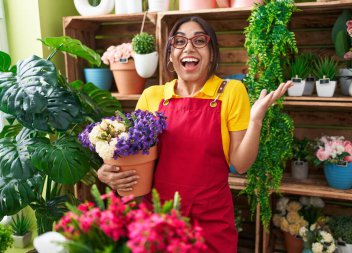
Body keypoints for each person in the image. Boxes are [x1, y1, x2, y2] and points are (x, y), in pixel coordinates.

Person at [98, 16, 292, 253]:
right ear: (170, 55)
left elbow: (241, 164)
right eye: (179, 41)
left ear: (212, 53)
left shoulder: (230, 91)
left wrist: (256, 120)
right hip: (160, 221)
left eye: (199, 40)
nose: (189, 47)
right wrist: (111, 171)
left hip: (211, 223)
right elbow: (136, 163)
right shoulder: (152, 96)